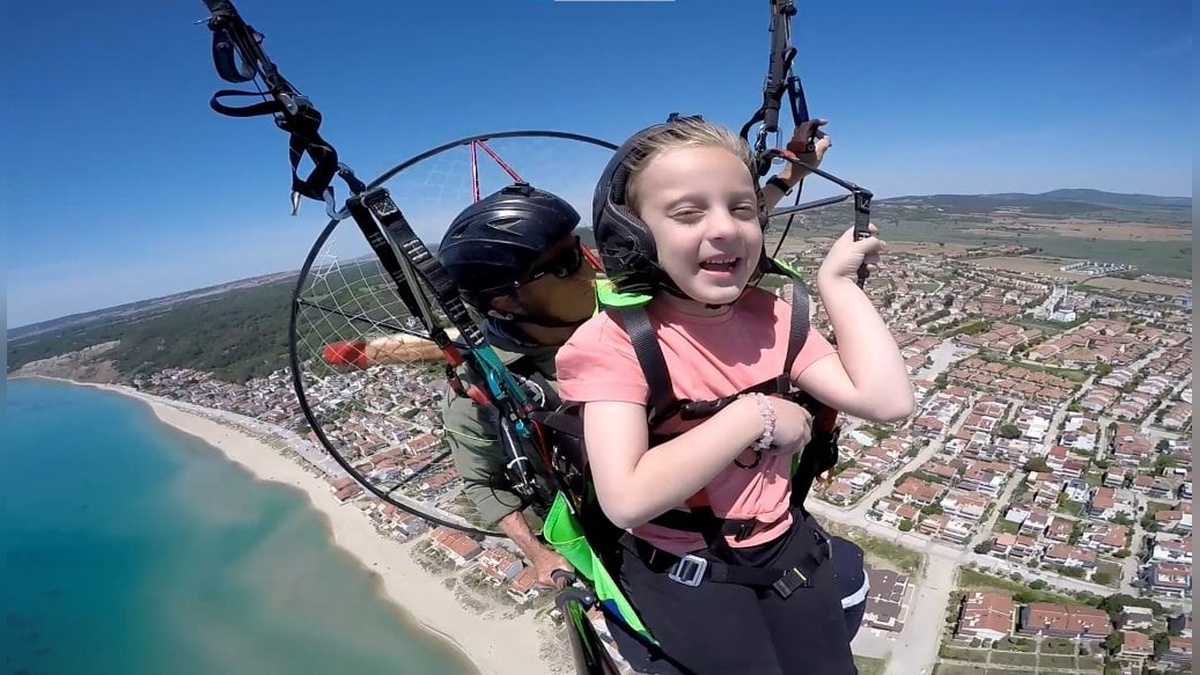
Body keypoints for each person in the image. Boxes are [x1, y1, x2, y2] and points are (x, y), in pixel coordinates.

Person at [553, 116, 914, 674]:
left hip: (785, 548)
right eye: (688, 213)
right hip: (686, 564)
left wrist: (836, 284)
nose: (724, 228)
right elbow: (625, 498)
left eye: (742, 209)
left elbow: (887, 401)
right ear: (634, 234)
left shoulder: (772, 315)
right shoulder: (614, 343)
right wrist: (758, 415)